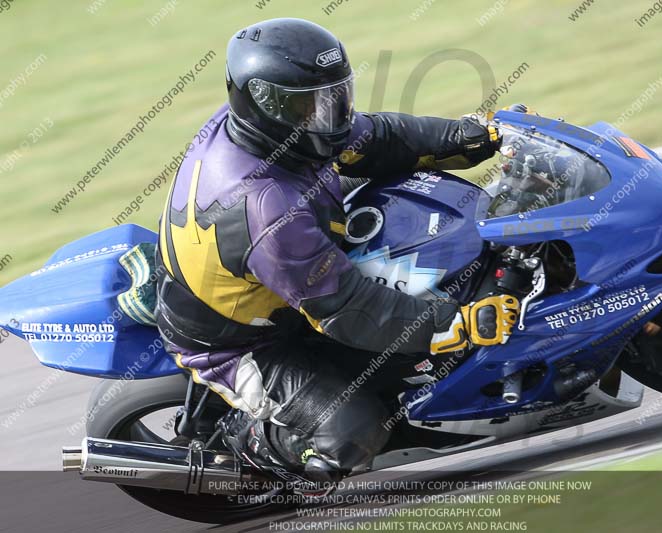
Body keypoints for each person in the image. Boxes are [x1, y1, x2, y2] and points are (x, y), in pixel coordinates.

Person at [155, 17, 520, 482]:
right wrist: (452, 326)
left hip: (287, 269)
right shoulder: (262, 208)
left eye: (333, 96)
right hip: (242, 343)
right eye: (310, 105)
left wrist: (468, 137)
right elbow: (348, 309)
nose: (329, 114)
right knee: (353, 431)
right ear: (266, 104)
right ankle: (246, 446)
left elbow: (381, 139)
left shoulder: (280, 133)